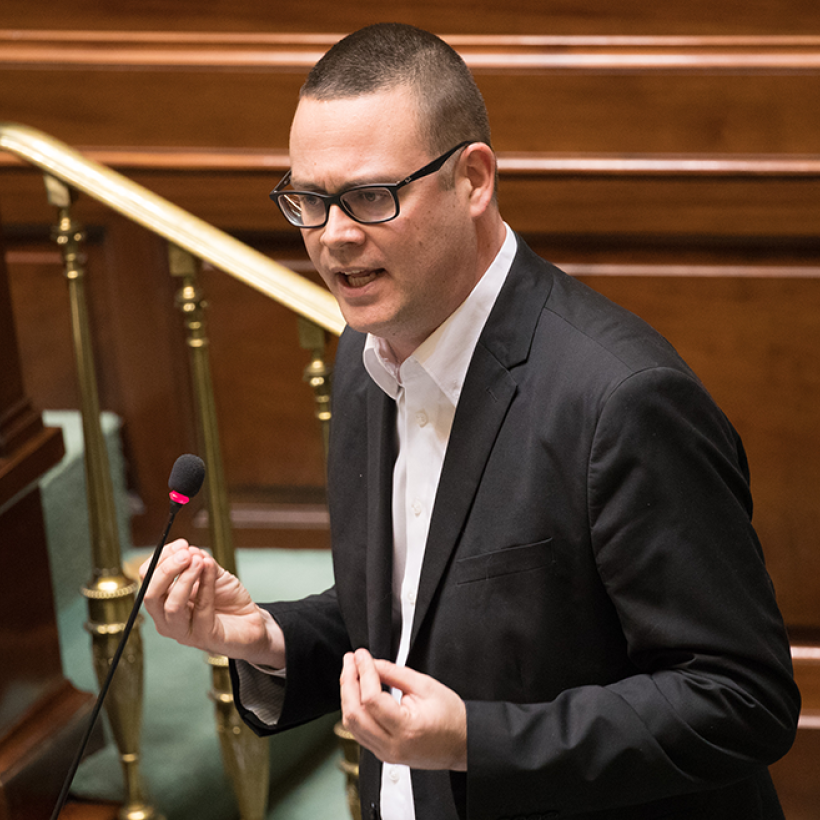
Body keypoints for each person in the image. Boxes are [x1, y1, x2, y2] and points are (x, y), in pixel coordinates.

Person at [141, 22, 801, 820]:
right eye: (309, 201)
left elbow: (741, 697)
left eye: (372, 197)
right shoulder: (365, 358)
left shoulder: (622, 400)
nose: (334, 237)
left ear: (474, 179)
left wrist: (473, 740)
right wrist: (266, 639)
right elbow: (415, 611)